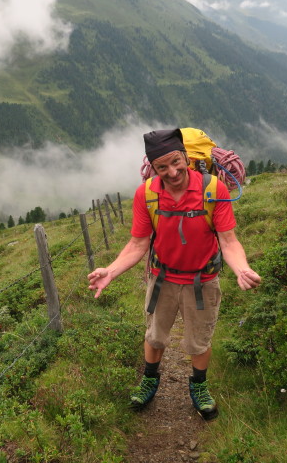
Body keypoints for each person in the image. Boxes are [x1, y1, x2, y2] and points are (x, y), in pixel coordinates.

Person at [87, 128, 261, 420]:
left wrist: (241, 268)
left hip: (202, 280)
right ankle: (150, 380)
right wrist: (111, 271)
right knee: (155, 336)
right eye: (162, 167)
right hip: (162, 279)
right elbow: (138, 243)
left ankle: (199, 387)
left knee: (199, 340)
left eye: (175, 161)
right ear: (153, 168)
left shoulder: (212, 189)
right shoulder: (146, 194)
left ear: (186, 157)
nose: (172, 171)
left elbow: (228, 240)